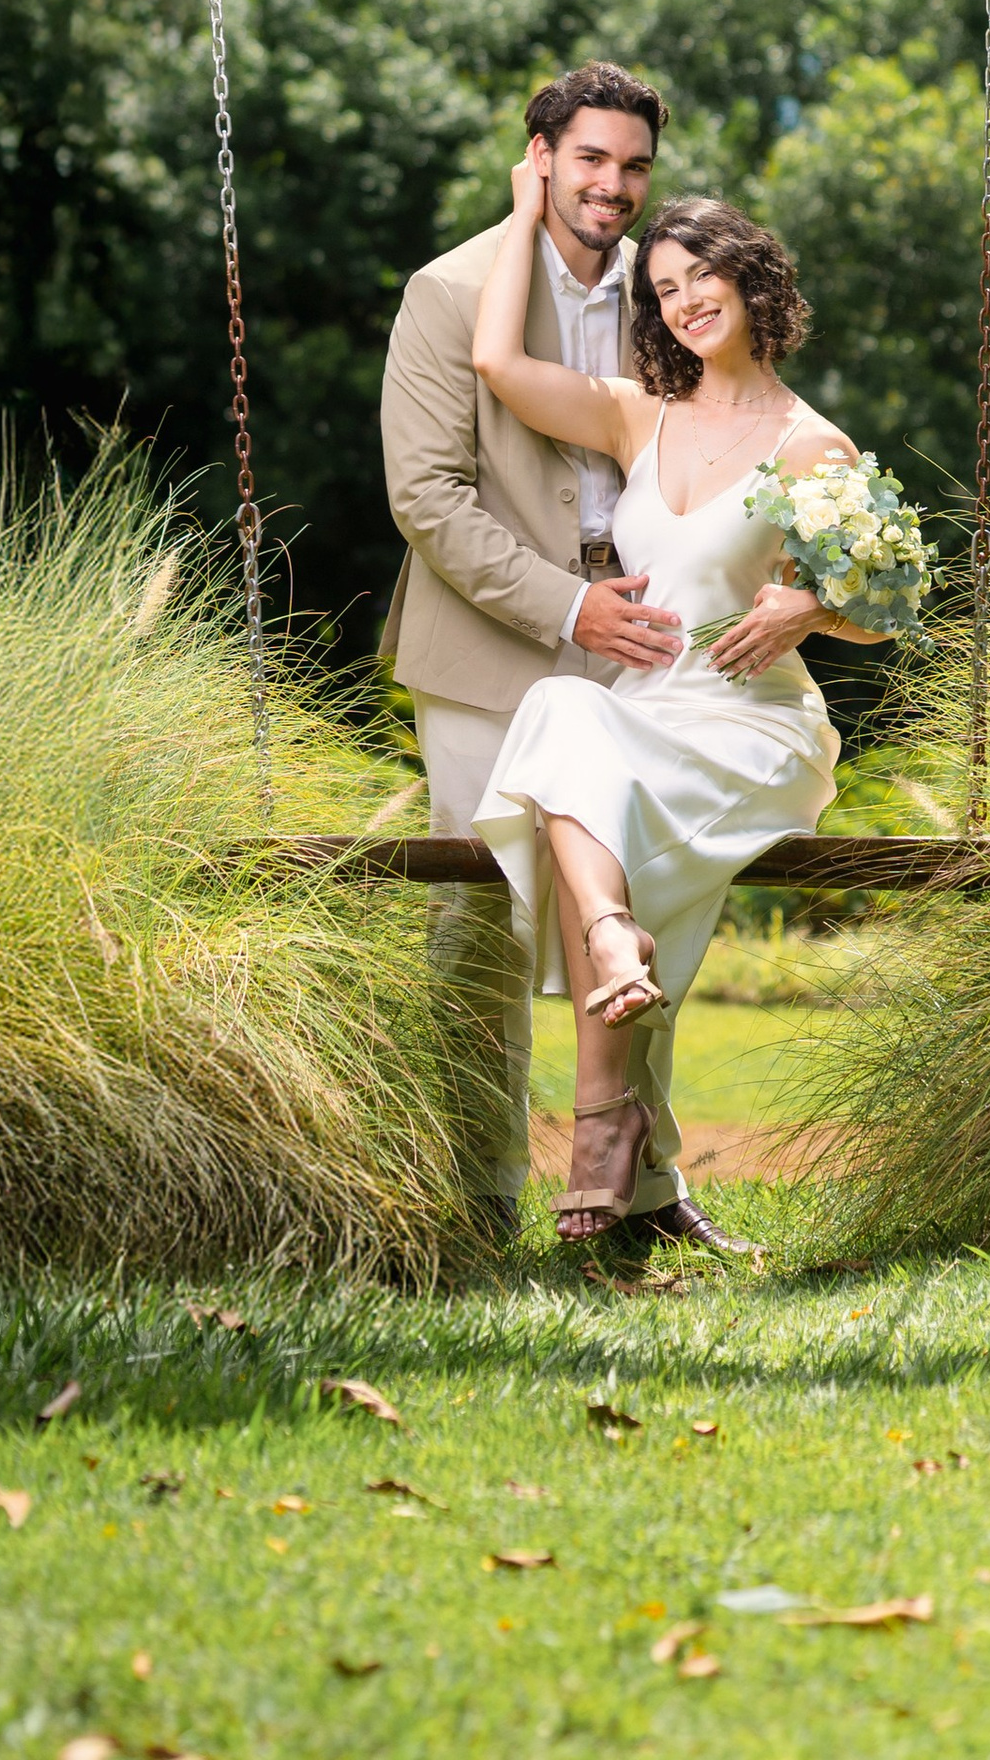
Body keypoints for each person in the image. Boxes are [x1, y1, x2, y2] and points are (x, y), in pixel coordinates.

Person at [468, 165, 889, 1242]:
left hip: (750, 724)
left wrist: (804, 607)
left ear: (749, 281)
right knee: (568, 712)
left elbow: (882, 609)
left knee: (584, 772)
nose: (685, 300)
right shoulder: (634, 417)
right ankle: (617, 956)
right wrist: (524, 214)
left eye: (702, 274)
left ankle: (611, 1132)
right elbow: (497, 362)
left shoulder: (810, 447)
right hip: (640, 718)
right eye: (660, 288)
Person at [380, 61, 722, 1250]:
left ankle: (639, 1194)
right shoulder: (449, 290)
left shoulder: (670, 297)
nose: (613, 186)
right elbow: (425, 497)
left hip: (642, 644)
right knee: (479, 925)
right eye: (589, 159)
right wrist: (567, 613)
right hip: (488, 648)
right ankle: (474, 1200)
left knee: (636, 915)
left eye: (633, 165)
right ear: (537, 157)